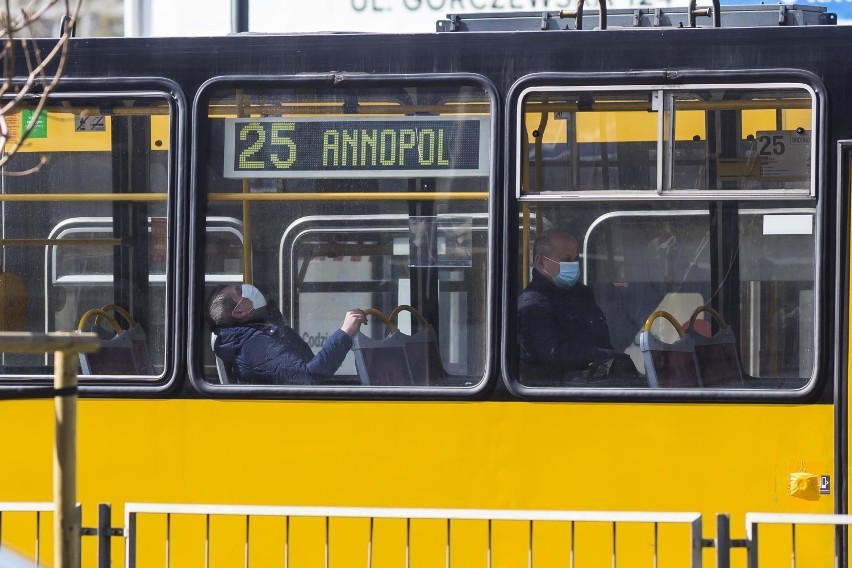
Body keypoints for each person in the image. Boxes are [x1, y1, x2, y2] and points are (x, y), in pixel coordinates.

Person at [517, 230, 634, 384]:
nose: (572, 265)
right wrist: (604, 355)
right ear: (540, 262)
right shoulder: (533, 304)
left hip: (593, 382)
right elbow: (553, 352)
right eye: (565, 260)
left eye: (575, 259)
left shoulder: (581, 294)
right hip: (556, 392)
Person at [206, 283, 366, 385]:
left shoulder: (264, 331)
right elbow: (311, 376)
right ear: (239, 312)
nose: (248, 287)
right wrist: (345, 332)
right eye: (240, 290)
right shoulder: (253, 347)